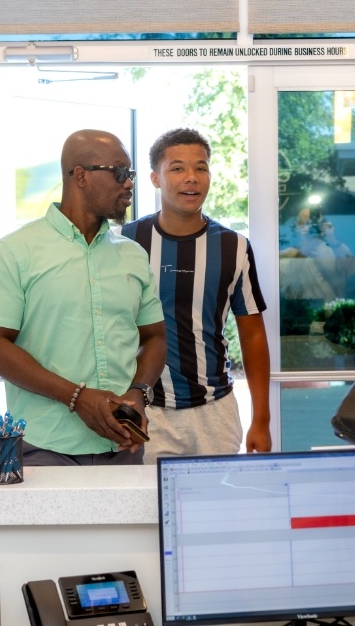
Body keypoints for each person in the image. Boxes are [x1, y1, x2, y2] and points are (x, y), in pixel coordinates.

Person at [0, 129, 167, 465]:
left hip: (122, 448)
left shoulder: (133, 255)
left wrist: (138, 393)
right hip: (44, 449)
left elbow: (155, 338)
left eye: (131, 174)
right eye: (120, 173)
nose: (129, 184)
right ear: (80, 176)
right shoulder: (15, 252)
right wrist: (77, 398)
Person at [122, 127, 272, 460]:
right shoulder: (126, 241)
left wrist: (261, 419)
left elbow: (253, 336)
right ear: (155, 178)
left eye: (201, 167)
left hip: (215, 411)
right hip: (148, 410)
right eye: (177, 168)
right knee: (151, 510)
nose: (192, 177)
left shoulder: (233, 246)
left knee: (218, 510)